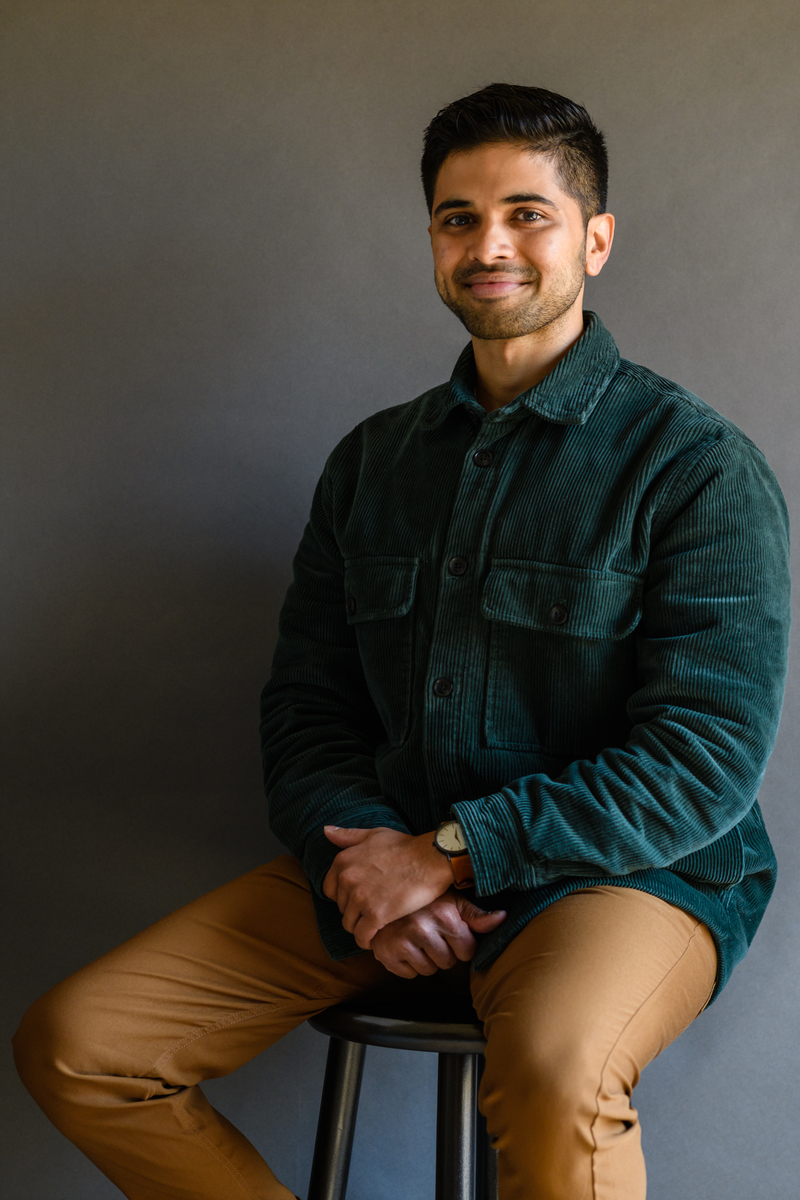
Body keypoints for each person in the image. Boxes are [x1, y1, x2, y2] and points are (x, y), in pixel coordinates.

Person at [14, 83, 791, 1200]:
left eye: (527, 214)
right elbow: (307, 706)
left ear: (595, 240)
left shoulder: (696, 467)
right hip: (382, 853)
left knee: (558, 1074)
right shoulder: (371, 464)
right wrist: (370, 863)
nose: (489, 246)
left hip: (624, 878)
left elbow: (702, 761)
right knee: (79, 1047)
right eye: (457, 218)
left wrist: (447, 854)